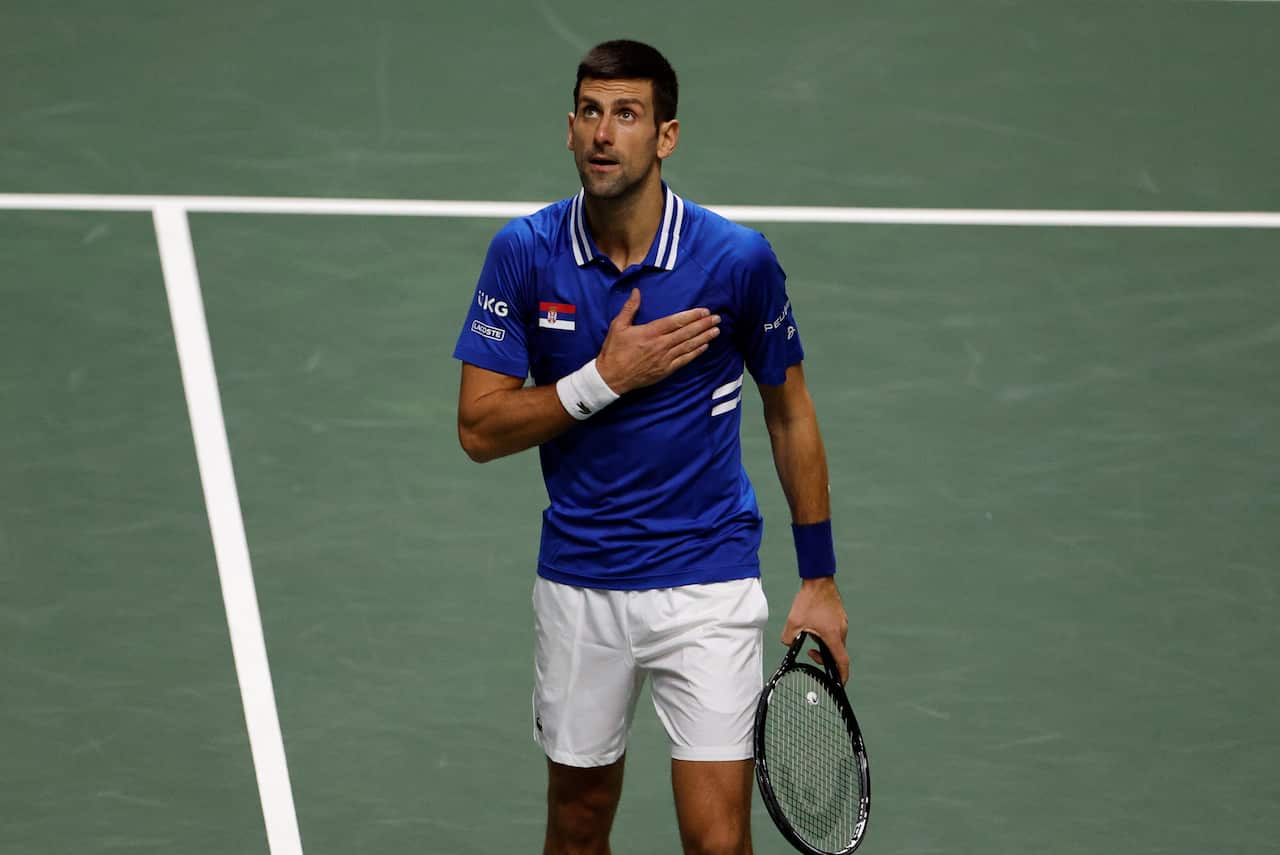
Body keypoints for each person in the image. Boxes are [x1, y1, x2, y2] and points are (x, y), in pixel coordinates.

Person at [453, 39, 848, 855]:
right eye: (590, 113)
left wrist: (819, 577)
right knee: (576, 827)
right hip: (581, 582)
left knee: (717, 842)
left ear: (666, 135)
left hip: (707, 580)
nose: (604, 134)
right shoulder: (523, 254)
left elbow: (790, 412)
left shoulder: (735, 260)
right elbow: (479, 429)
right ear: (569, 128)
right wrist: (603, 378)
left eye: (626, 115)